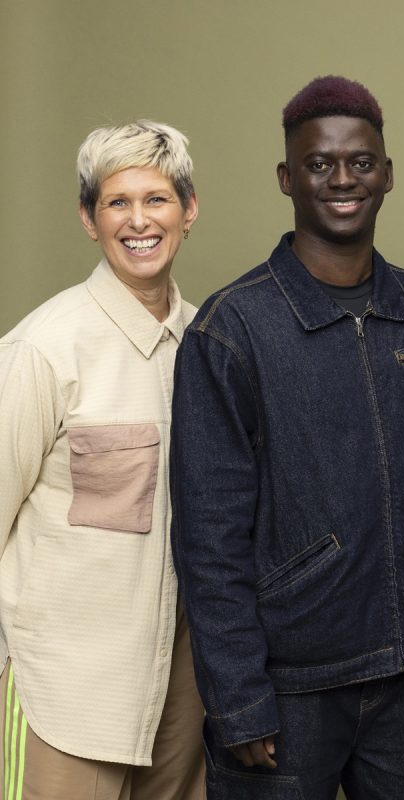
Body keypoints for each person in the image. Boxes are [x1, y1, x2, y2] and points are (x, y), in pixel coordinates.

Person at [170, 75, 404, 799]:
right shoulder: (231, 331)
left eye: (360, 161)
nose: (342, 179)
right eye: (320, 164)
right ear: (288, 178)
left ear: (387, 172)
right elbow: (209, 535)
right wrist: (237, 695)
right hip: (289, 687)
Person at [0, 120, 203, 799]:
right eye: (118, 202)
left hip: (180, 697)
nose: (139, 221)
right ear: (90, 219)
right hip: (63, 694)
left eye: (157, 199)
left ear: (189, 211)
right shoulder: (43, 349)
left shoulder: (210, 346)